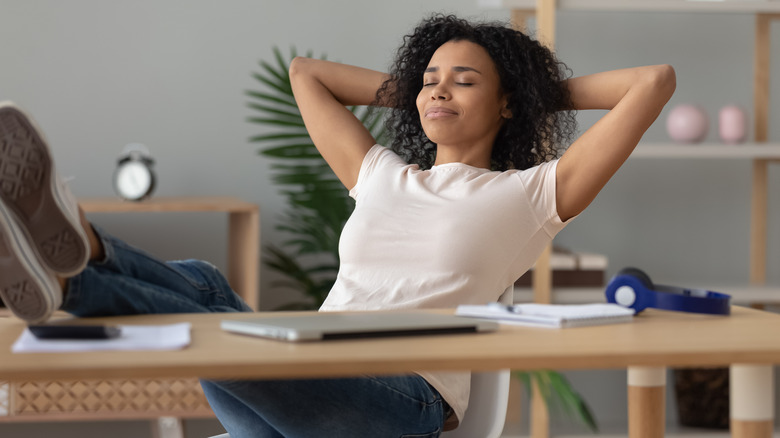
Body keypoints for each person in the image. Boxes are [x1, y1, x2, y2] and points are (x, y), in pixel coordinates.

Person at [0, 14, 675, 438]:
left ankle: (76, 266)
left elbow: (653, 81)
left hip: (398, 405)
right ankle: (76, 256)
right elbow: (307, 74)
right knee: (204, 280)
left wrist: (522, 84)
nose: (438, 89)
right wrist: (421, 84)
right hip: (303, 377)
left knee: (220, 312)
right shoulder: (383, 174)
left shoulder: (529, 194)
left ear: (505, 106)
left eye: (463, 81)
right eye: (429, 78)